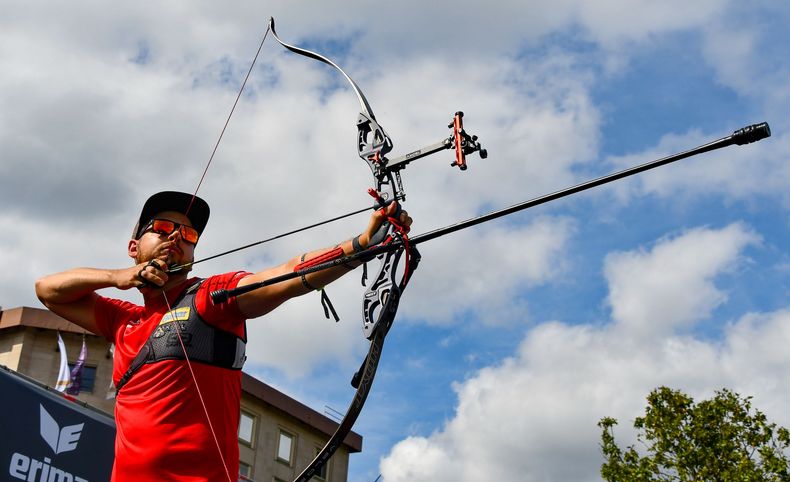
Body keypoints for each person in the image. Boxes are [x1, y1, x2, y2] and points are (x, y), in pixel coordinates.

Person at [35, 190, 411, 482]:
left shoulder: (211, 296)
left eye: (188, 234)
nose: (177, 238)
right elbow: (48, 289)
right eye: (163, 229)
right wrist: (118, 277)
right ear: (134, 247)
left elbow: (286, 276)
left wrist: (359, 246)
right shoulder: (121, 320)